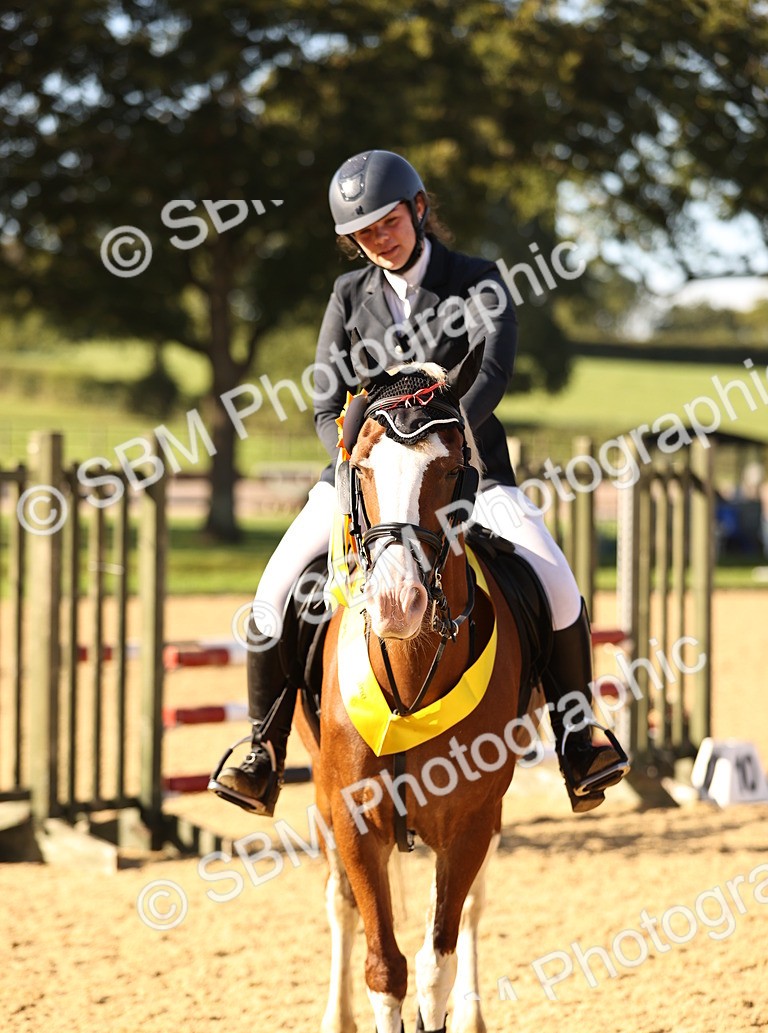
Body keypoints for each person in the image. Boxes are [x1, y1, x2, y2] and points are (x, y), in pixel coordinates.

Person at [209, 149, 628, 817]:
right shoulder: (349, 296)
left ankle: (578, 741)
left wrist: (443, 440)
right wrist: (356, 459)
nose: (380, 238)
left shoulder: (478, 280)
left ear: (419, 209)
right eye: (364, 232)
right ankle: (263, 748)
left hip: (469, 471)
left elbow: (493, 372)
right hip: (368, 480)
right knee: (275, 587)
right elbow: (325, 404)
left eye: (389, 221)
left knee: (556, 583)